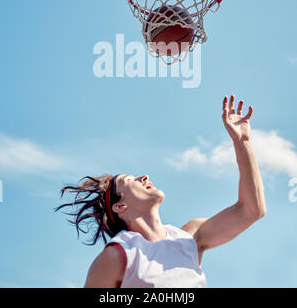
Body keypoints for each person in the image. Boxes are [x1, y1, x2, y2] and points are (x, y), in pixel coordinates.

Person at [55, 95, 266, 288]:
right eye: (131, 180)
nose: (144, 177)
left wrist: (242, 141)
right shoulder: (116, 256)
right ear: (120, 205)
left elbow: (251, 210)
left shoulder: (189, 237)